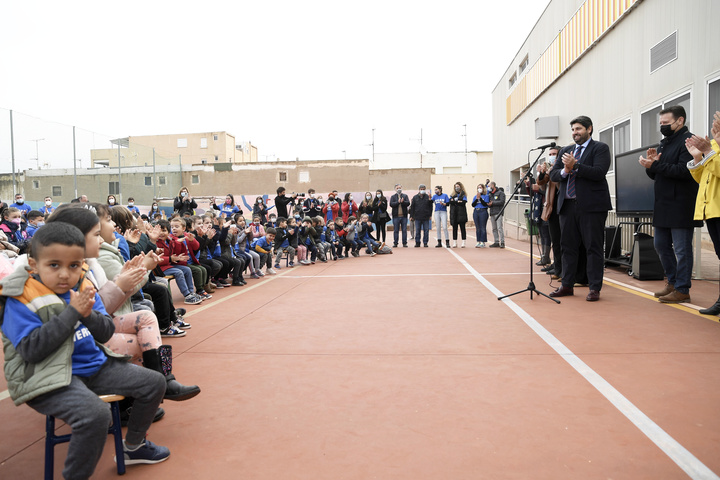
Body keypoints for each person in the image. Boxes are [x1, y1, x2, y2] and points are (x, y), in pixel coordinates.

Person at [0, 223, 171, 478]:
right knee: (96, 415)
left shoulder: (82, 283)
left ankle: (134, 447)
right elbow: (31, 351)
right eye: (54, 265)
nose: (64, 274)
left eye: (74, 265)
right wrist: (72, 313)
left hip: (94, 368)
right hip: (48, 376)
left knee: (155, 382)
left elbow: (104, 333)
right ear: (34, 265)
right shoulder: (22, 298)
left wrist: (88, 313)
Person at [639, 105, 700, 304]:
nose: (662, 126)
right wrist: (651, 164)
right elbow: (658, 173)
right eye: (661, 124)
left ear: (680, 121)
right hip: (664, 203)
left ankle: (683, 288)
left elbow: (684, 171)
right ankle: (672, 282)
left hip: (681, 203)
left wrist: (655, 165)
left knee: (682, 249)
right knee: (660, 245)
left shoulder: (689, 141)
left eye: (666, 123)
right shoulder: (665, 144)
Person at [549, 115, 612, 302]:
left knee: (593, 247)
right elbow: (554, 175)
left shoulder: (600, 148)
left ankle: (594, 288)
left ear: (589, 129)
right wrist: (565, 171)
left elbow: (599, 172)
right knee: (567, 247)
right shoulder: (566, 151)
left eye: (578, 129)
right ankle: (567, 285)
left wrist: (575, 165)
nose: (575, 133)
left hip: (591, 207)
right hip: (567, 206)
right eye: (573, 130)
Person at [685, 111, 720, 315]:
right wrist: (698, 157)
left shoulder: (713, 148)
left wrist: (708, 152)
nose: (715, 126)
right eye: (715, 122)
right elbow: (703, 178)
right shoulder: (714, 146)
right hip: (712, 210)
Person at [156, 219, 203, 305]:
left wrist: (178, 246)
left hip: (168, 265)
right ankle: (187, 294)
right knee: (179, 272)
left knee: (187, 269)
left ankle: (191, 292)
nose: (161, 233)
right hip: (160, 268)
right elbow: (159, 260)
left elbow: (177, 251)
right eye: (159, 231)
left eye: (164, 231)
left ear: (168, 231)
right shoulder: (156, 243)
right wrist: (171, 258)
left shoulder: (169, 241)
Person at [538, 145, 563, 279]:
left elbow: (559, 182)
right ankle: (557, 267)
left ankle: (562, 269)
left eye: (554, 154)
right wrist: (542, 173)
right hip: (552, 208)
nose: (552, 156)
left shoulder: (562, 169)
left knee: (563, 241)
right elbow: (541, 184)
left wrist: (554, 170)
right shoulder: (550, 169)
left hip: (564, 207)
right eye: (551, 154)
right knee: (556, 241)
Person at [448, 182, 468, 248]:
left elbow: (463, 203)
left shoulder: (463, 194)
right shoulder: (452, 194)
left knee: (462, 228)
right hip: (454, 214)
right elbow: (450, 202)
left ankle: (463, 242)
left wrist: (456, 202)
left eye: (458, 186)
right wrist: (457, 202)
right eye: (456, 186)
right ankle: (454, 242)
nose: (457, 187)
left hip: (461, 213)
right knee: (454, 228)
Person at [487, 182, 506, 248]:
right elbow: (489, 202)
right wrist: (489, 204)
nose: (488, 188)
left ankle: (502, 242)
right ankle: (496, 241)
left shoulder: (500, 193)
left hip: (498, 212)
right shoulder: (489, 194)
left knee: (499, 228)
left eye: (489, 186)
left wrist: (493, 203)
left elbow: (502, 202)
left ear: (493, 185)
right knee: (494, 228)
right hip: (492, 212)